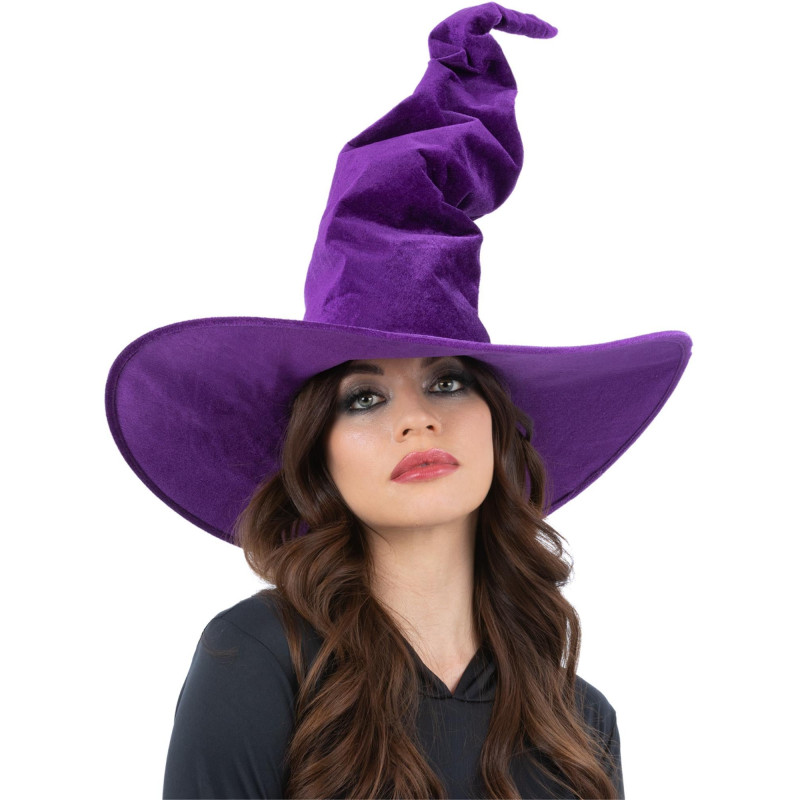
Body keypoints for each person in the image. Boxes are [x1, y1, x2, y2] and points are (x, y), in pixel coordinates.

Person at [105, 5, 690, 798]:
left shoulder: (581, 722)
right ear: (317, 454)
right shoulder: (258, 660)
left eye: (447, 381)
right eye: (363, 398)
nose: (416, 418)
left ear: (499, 427)